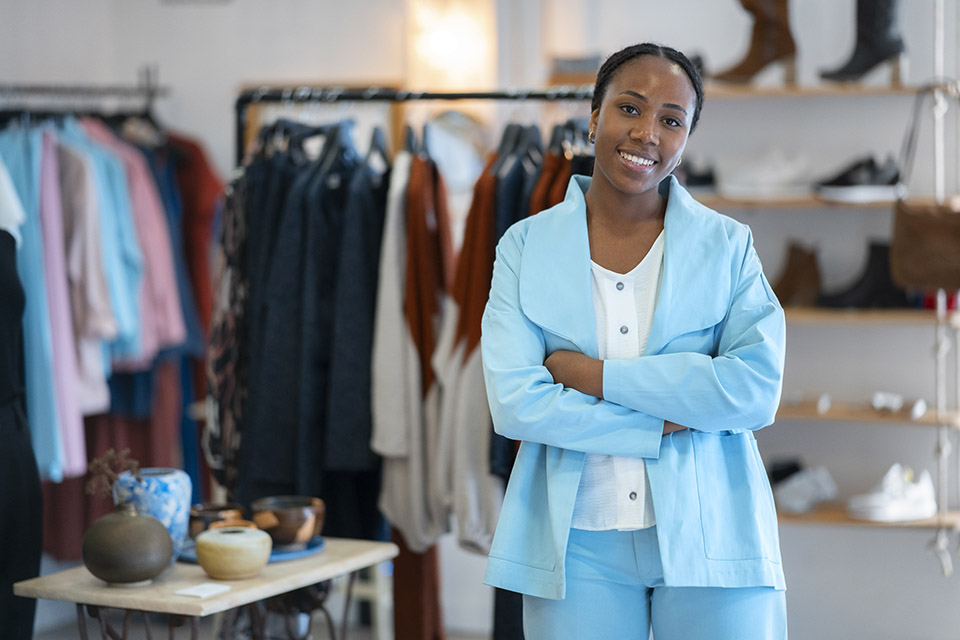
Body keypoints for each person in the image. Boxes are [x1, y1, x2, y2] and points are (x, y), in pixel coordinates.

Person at [480, 42, 787, 639]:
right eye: (630, 108)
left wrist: (591, 376)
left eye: (671, 120)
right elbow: (516, 404)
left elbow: (753, 391)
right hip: (577, 545)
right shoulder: (525, 246)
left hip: (715, 535)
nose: (647, 133)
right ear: (593, 117)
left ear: (686, 138)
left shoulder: (727, 246)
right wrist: (660, 420)